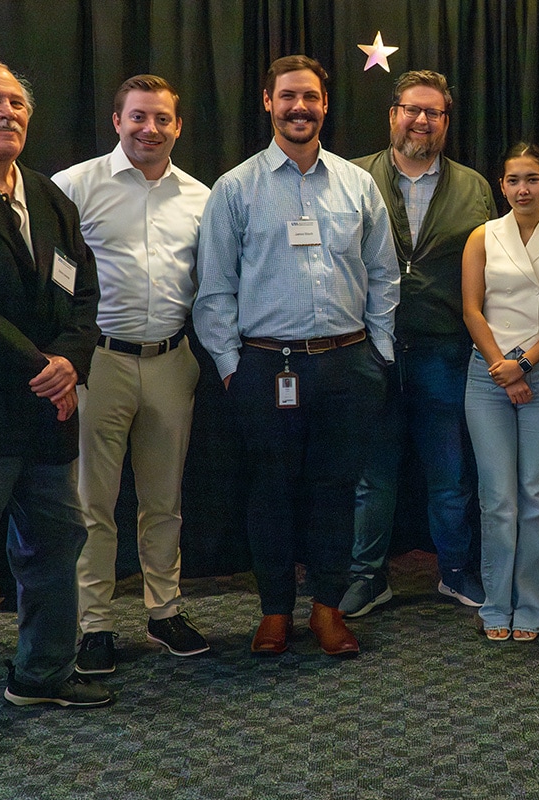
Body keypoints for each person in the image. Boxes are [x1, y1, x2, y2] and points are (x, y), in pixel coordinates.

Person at [192, 55, 399, 657]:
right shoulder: (236, 187)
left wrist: (379, 352)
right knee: (271, 492)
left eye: (310, 97)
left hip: (347, 364)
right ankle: (275, 611)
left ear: (325, 105)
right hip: (265, 366)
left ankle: (328, 609)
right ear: (267, 103)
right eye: (287, 97)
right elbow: (214, 288)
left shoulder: (358, 185)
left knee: (337, 490)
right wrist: (232, 365)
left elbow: (384, 275)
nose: (299, 107)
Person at [0, 61, 113, 762]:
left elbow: (84, 294)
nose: (8, 111)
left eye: (17, 101)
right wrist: (37, 366)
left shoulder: (48, 197)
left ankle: (41, 675)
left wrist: (71, 359)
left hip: (49, 415)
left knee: (55, 547)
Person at [53, 74, 212, 675]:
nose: (151, 129)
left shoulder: (201, 197)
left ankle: (164, 610)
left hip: (172, 361)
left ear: (178, 126)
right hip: (99, 364)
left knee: (164, 499)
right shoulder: (74, 187)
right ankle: (93, 623)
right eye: (138, 117)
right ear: (117, 121)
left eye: (162, 119)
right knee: (93, 502)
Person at [350, 70, 496, 616]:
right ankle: (367, 576)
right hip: (371, 348)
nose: (422, 121)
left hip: (445, 350)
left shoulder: (475, 186)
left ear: (445, 122)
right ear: (393, 115)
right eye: (412, 109)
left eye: (433, 113)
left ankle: (455, 571)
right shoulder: (352, 177)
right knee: (372, 475)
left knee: (451, 473)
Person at [461, 143, 539, 641]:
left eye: (532, 179)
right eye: (513, 180)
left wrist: (524, 365)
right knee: (498, 500)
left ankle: (532, 606)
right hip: (487, 376)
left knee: (536, 497)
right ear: (501, 185)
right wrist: (503, 368)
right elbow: (472, 309)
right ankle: (497, 605)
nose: (522, 189)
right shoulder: (482, 236)